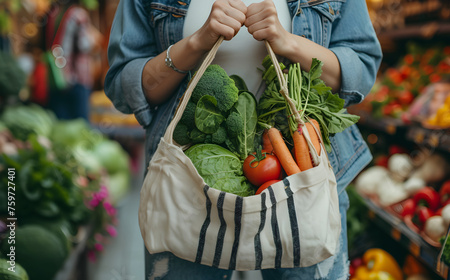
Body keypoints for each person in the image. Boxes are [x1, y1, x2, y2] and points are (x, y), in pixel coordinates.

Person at [105, 0, 382, 279]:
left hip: (302, 178)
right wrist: (197, 42)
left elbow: (362, 69)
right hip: (190, 183)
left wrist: (288, 42)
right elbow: (122, 84)